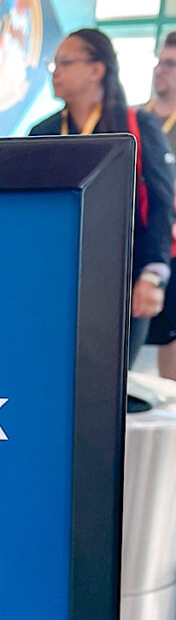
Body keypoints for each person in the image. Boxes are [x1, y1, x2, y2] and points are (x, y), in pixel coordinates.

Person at [29, 29, 175, 366]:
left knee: (107, 382)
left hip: (123, 278)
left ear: (97, 70)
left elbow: (160, 204)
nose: (56, 72)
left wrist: (152, 276)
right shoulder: (43, 132)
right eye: (54, 63)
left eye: (65, 62)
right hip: (58, 277)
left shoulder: (136, 125)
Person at [141, 32, 176, 379]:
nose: (160, 70)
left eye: (170, 64)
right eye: (159, 62)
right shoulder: (135, 118)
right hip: (146, 245)